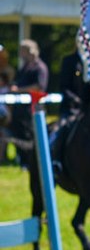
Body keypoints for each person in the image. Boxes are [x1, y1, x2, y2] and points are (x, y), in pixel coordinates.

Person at [9, 39, 49, 167]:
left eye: (22, 51)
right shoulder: (25, 67)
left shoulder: (40, 67)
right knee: (18, 133)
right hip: (19, 109)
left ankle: (30, 161)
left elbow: (39, 86)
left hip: (32, 109)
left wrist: (19, 90)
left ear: (30, 51)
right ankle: (22, 160)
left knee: (30, 135)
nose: (20, 54)